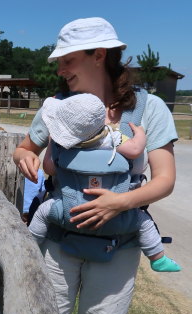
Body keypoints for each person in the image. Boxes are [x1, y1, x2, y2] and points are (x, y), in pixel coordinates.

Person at [12, 17, 177, 314]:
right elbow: (25, 147)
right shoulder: (56, 108)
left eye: (67, 60)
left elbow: (165, 179)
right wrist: (24, 157)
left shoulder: (148, 109)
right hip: (58, 239)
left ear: (98, 55)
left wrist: (121, 203)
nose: (60, 69)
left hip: (118, 246)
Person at [28, 93, 180, 272]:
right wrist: (139, 134)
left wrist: (53, 141)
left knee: (42, 213)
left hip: (69, 210)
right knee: (142, 221)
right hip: (118, 215)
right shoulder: (111, 138)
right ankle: (157, 257)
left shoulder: (65, 145)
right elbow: (135, 150)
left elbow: (50, 168)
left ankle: (29, 245)